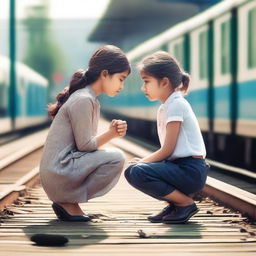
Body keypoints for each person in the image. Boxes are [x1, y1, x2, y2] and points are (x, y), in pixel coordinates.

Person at [40, 45, 130, 222]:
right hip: (59, 172)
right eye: (121, 79)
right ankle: (68, 199)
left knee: (112, 156)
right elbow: (85, 145)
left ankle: (69, 200)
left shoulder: (88, 98)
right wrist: (111, 134)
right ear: (104, 74)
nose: (122, 85)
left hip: (58, 172)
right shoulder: (84, 99)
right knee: (117, 157)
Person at [124, 51, 209, 224]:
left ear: (164, 82)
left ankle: (185, 203)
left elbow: (168, 149)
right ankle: (175, 204)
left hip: (190, 171)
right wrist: (143, 162)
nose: (143, 87)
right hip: (180, 168)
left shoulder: (176, 105)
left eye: (146, 81)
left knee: (137, 171)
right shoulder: (167, 106)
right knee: (133, 170)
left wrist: (143, 162)